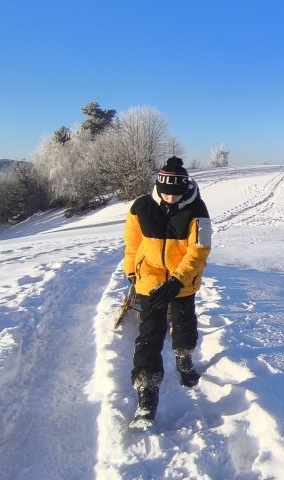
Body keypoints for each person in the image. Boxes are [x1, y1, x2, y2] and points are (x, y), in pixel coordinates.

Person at [123, 156, 212, 428]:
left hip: (182, 281)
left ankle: (183, 357)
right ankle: (146, 395)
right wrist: (131, 270)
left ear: (184, 189)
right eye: (165, 194)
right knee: (149, 334)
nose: (170, 200)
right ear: (158, 186)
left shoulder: (198, 211)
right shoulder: (141, 207)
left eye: (175, 195)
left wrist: (176, 281)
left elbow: (199, 252)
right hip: (150, 280)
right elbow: (133, 243)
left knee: (184, 323)